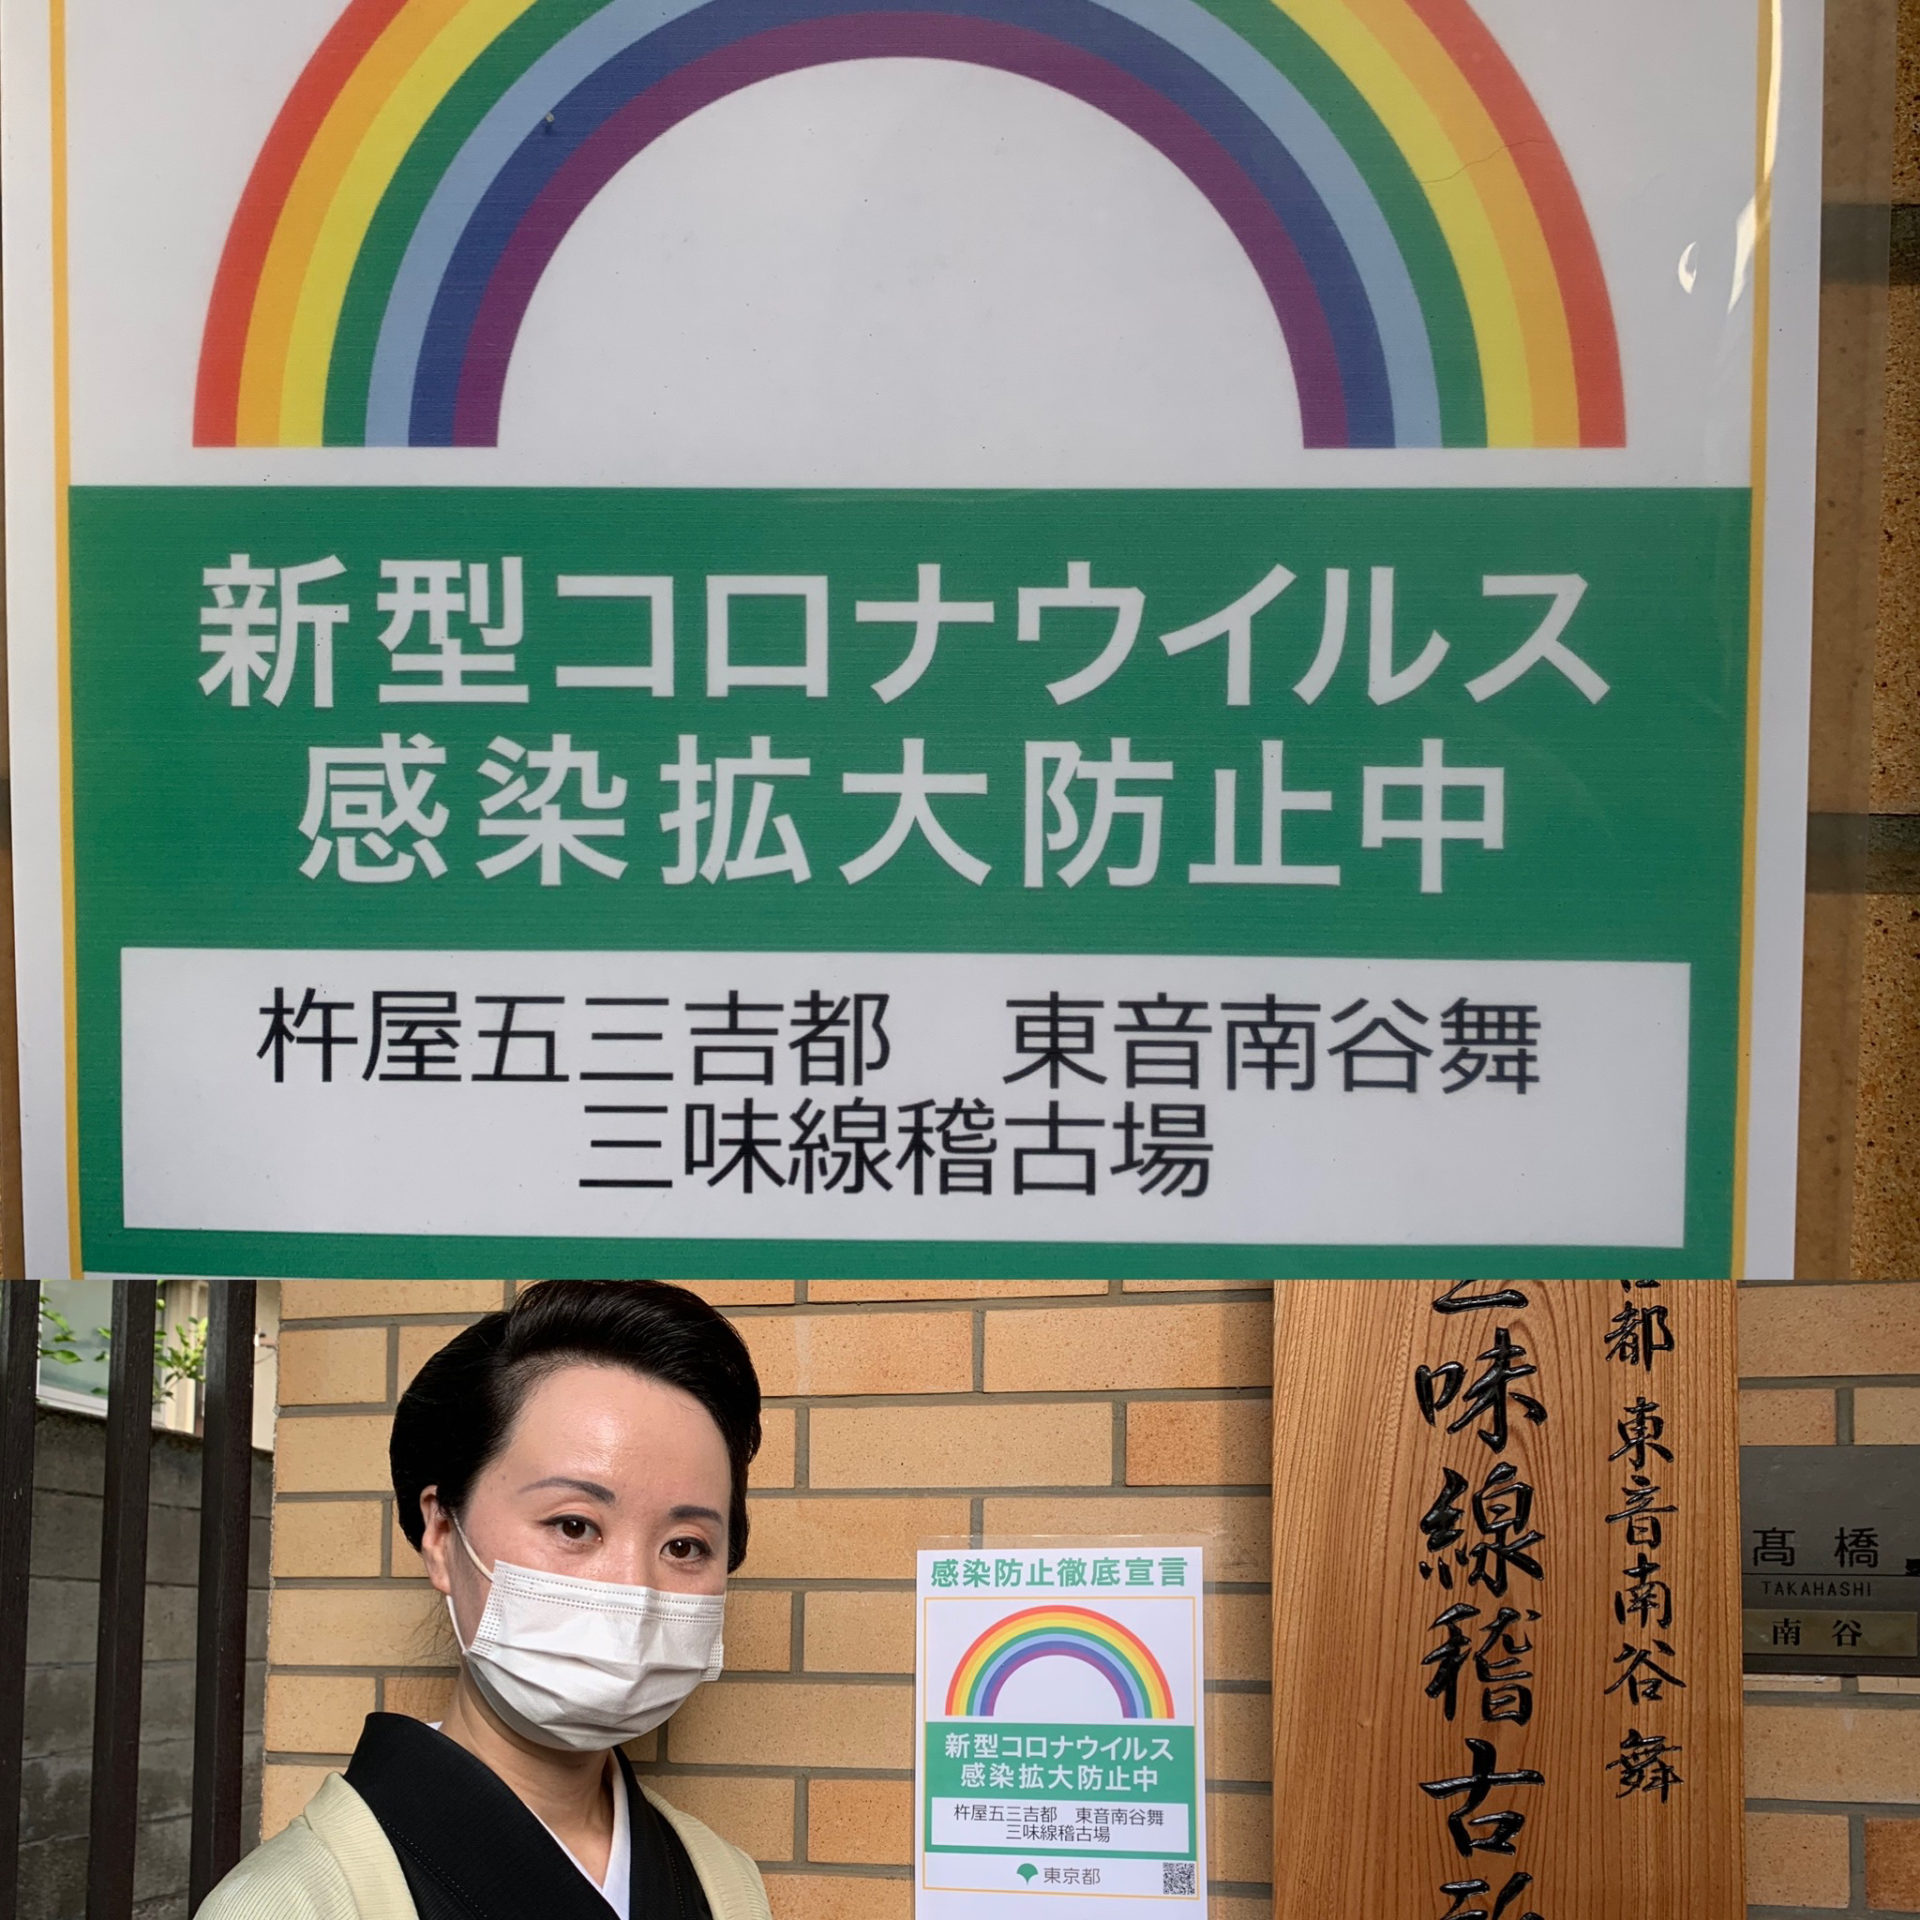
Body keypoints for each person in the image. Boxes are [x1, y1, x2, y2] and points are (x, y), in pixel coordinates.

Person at [199, 1281, 773, 1920]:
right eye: (574, 1525)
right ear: (443, 1535)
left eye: (685, 1546)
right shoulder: (291, 1902)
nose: (634, 1593)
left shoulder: (723, 1881)